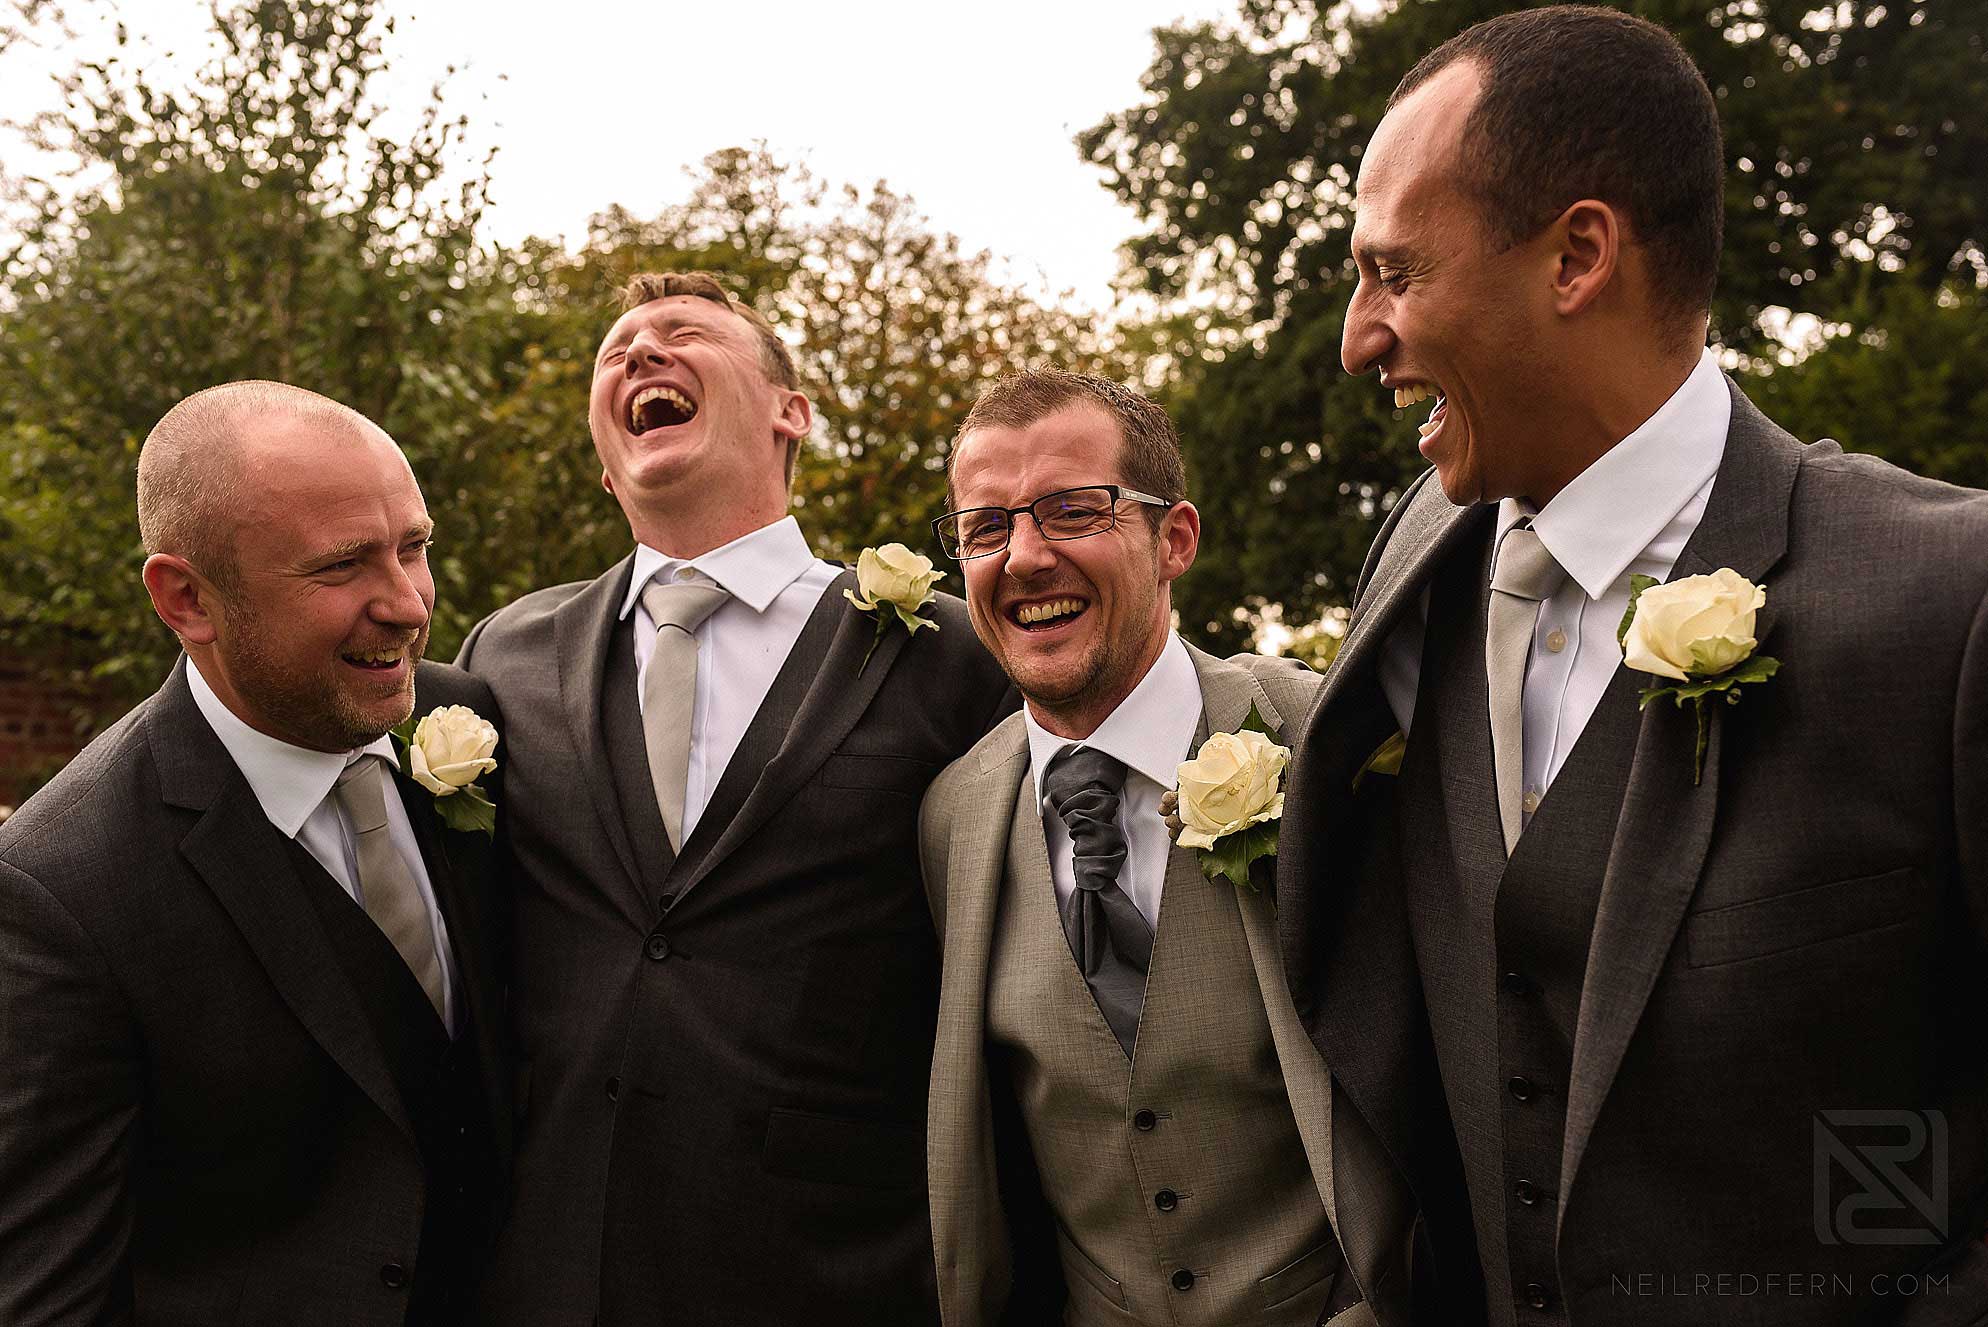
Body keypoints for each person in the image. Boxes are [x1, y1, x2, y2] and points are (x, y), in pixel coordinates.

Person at [1276, 7, 1988, 1324]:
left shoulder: (1953, 598)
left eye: (1392, 271)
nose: (1357, 339)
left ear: (1578, 255)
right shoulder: (1414, 555)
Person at [457, 271, 1015, 1326]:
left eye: (682, 335)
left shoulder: (944, 655)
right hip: (550, 1262)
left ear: (788, 411)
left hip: (832, 1267)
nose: (638, 356)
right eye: (614, 351)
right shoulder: (505, 654)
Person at [0, 380, 510, 1325]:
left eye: (415, 547)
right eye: (341, 567)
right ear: (187, 598)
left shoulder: (475, 721)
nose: (406, 604)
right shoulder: (59, 886)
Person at [919, 369, 1403, 1326]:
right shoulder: (952, 815)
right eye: (986, 528)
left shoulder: (1327, 740)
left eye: (1072, 511)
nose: (1024, 557)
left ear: (1174, 537)